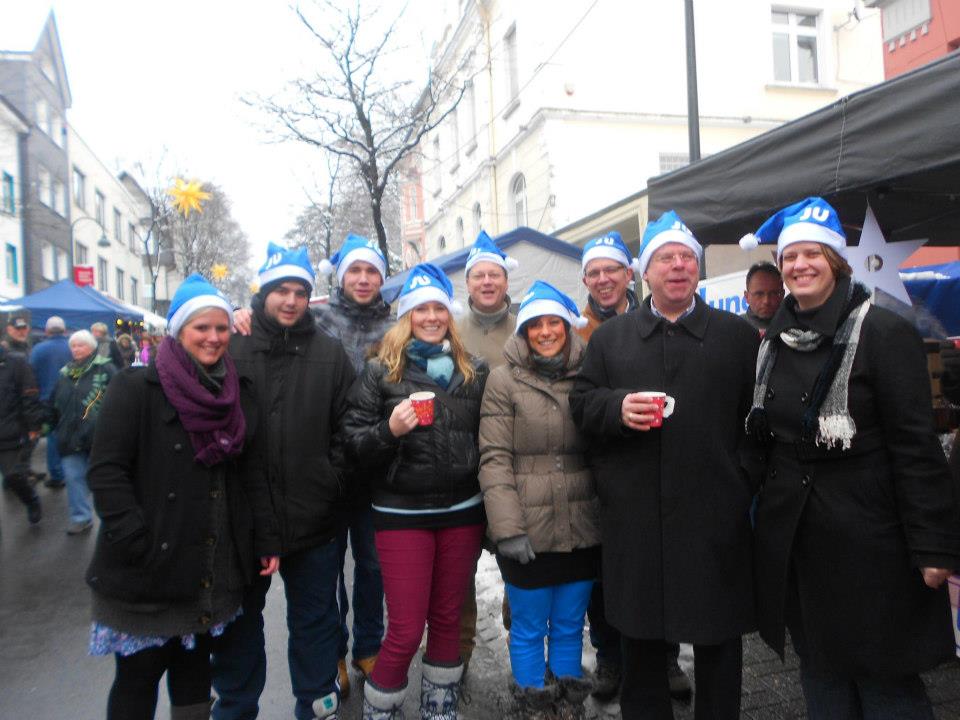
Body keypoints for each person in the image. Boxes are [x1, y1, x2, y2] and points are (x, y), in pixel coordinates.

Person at [740, 197, 960, 720]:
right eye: (790, 257)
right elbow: (763, 440)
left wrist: (934, 546)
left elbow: (916, 447)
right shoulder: (773, 342)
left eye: (812, 254)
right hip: (800, 541)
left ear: (836, 261)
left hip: (871, 540)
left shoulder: (883, 332)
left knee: (885, 682)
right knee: (821, 675)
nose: (799, 266)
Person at [570, 211, 760, 720]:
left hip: (714, 514)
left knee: (719, 640)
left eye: (686, 258)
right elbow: (582, 406)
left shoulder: (737, 337)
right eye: (665, 259)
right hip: (637, 517)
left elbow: (758, 422)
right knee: (642, 643)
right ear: (644, 273)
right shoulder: (611, 340)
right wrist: (615, 407)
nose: (678, 266)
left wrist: (740, 480)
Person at [86, 273, 279, 720]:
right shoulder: (135, 389)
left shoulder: (236, 394)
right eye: (201, 328)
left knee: (194, 679)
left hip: (209, 566)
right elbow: (106, 471)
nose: (213, 338)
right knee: (138, 679)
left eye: (221, 328)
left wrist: (266, 540)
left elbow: (251, 473)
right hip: (146, 570)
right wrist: (135, 537)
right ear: (178, 331)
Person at [212, 246, 356, 720]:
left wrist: (328, 475)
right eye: (281, 291)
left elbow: (349, 423)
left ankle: (316, 708)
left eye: (300, 292)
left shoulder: (329, 353)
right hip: (245, 520)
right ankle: (235, 710)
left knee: (314, 623)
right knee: (240, 626)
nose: (291, 301)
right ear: (264, 293)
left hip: (313, 518)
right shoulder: (234, 346)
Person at [344, 263, 488, 720]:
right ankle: (380, 711)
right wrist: (389, 430)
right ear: (406, 316)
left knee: (447, 620)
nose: (431, 316)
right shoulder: (378, 372)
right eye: (421, 309)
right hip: (400, 514)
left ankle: (438, 710)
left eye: (438, 308)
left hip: (462, 512)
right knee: (405, 630)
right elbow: (354, 443)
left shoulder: (473, 372)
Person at [479, 281, 598, 719]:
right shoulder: (503, 380)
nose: (546, 332)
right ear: (524, 332)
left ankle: (568, 701)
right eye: (536, 325)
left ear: (568, 327)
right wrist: (507, 529)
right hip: (526, 527)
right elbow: (494, 459)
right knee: (529, 627)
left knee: (569, 625)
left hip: (581, 525)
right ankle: (532, 702)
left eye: (555, 323)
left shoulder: (589, 373)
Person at [315, 234, 393, 696]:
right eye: (355, 271)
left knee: (373, 565)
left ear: (382, 278)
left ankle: (369, 644)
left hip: (377, 465)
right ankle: (332, 654)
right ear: (341, 275)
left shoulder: (396, 322)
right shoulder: (316, 318)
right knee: (325, 571)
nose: (363, 279)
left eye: (372, 272)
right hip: (324, 464)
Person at [573, 231, 639, 702]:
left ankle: (664, 656)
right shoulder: (572, 329)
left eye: (610, 270)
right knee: (601, 570)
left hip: (646, 461)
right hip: (591, 465)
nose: (603, 279)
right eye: (594, 273)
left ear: (628, 274)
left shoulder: (653, 320)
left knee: (654, 560)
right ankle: (610, 658)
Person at [455, 230, 519, 676]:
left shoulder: (529, 325)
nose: (487, 282)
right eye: (479, 276)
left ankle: (524, 644)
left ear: (505, 281)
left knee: (517, 556)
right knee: (458, 568)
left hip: (514, 461)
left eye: (494, 275)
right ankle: (457, 653)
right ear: (468, 284)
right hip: (459, 464)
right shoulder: (452, 331)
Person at [53, 330, 117, 535]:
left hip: (98, 435)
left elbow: (118, 398)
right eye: (73, 346)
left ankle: (112, 518)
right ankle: (80, 518)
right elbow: (55, 402)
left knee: (102, 479)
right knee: (73, 478)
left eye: (81, 345)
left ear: (91, 347)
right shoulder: (64, 373)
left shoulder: (105, 368)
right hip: (69, 435)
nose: (76, 349)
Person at [0, 340, 44, 526]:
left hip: (10, 432)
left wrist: (34, 426)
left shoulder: (16, 363)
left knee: (13, 476)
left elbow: (30, 395)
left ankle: (31, 500)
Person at [30, 315, 72, 489]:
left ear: (46, 331)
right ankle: (74, 471)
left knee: (53, 436)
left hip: (46, 398)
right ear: (64, 330)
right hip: (71, 397)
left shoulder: (38, 349)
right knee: (72, 433)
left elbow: (30, 374)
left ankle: (57, 474)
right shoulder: (73, 347)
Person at [742, 262, 784, 335]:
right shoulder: (735, 328)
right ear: (746, 297)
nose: (766, 301)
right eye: (759, 294)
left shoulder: (796, 327)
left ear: (782, 295)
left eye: (773, 293)